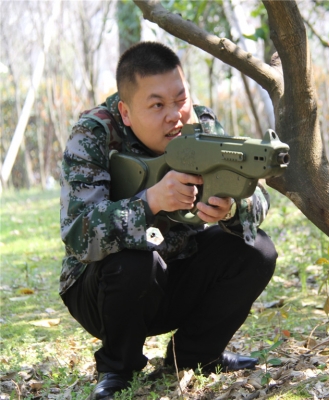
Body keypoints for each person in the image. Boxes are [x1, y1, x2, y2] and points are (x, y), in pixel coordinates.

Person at [59, 41, 277, 400]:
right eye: (157, 105)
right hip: (101, 292)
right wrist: (150, 202)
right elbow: (78, 235)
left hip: (175, 275)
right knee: (136, 255)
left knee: (258, 250)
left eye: (180, 99)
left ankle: (195, 356)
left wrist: (231, 210)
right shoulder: (95, 133)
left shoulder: (201, 126)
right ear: (126, 112)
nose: (175, 115)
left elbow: (259, 198)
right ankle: (118, 369)